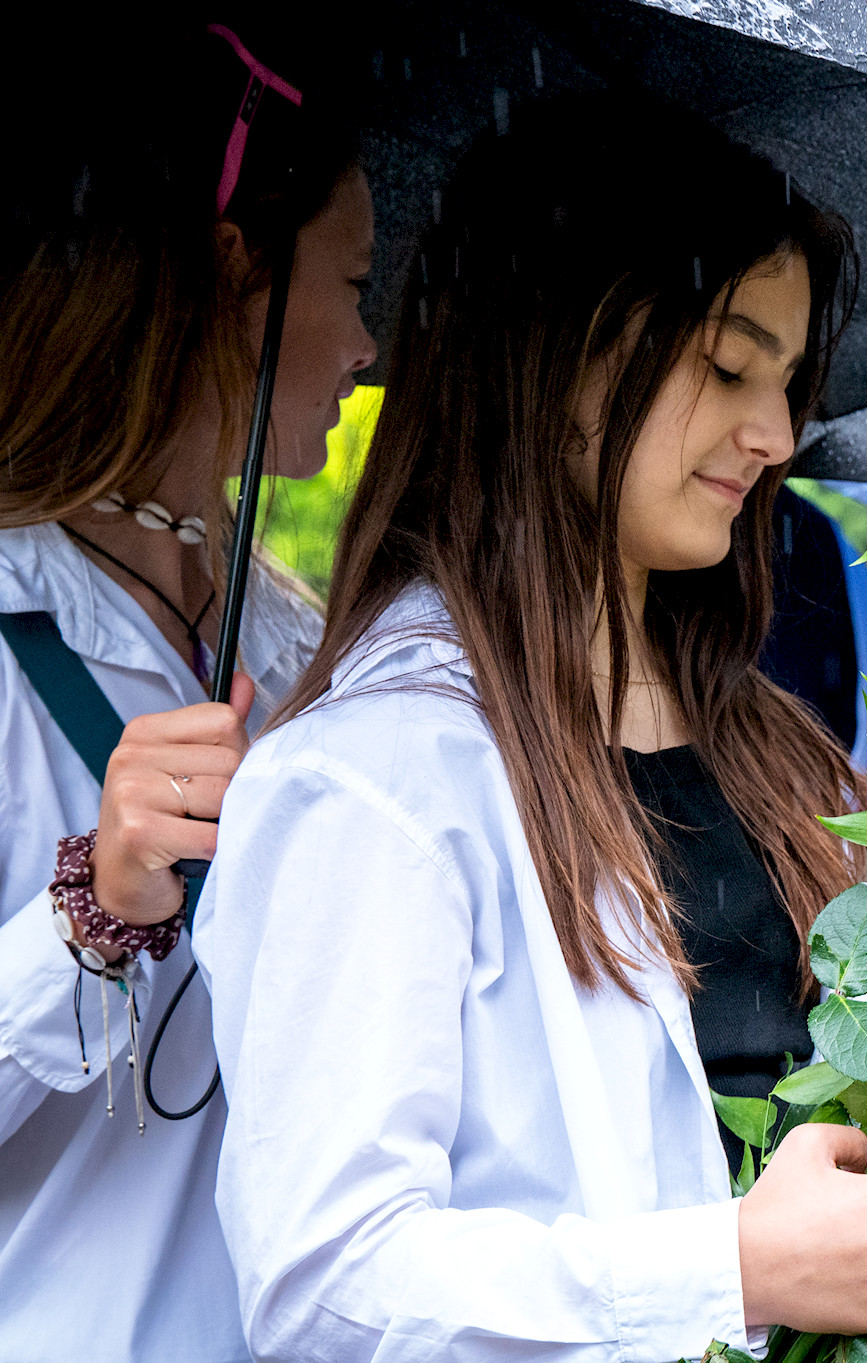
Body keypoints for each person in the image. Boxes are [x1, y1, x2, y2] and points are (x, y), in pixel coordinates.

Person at [195, 100, 867, 1362]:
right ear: (565, 342)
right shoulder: (375, 771)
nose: (775, 435)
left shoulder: (766, 740)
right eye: (728, 364)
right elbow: (326, 1279)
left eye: (787, 380)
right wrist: (734, 1269)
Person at [0, 17, 373, 1361]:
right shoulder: (8, 622)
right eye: (354, 279)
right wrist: (91, 904)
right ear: (236, 272)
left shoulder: (308, 644)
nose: (371, 345)